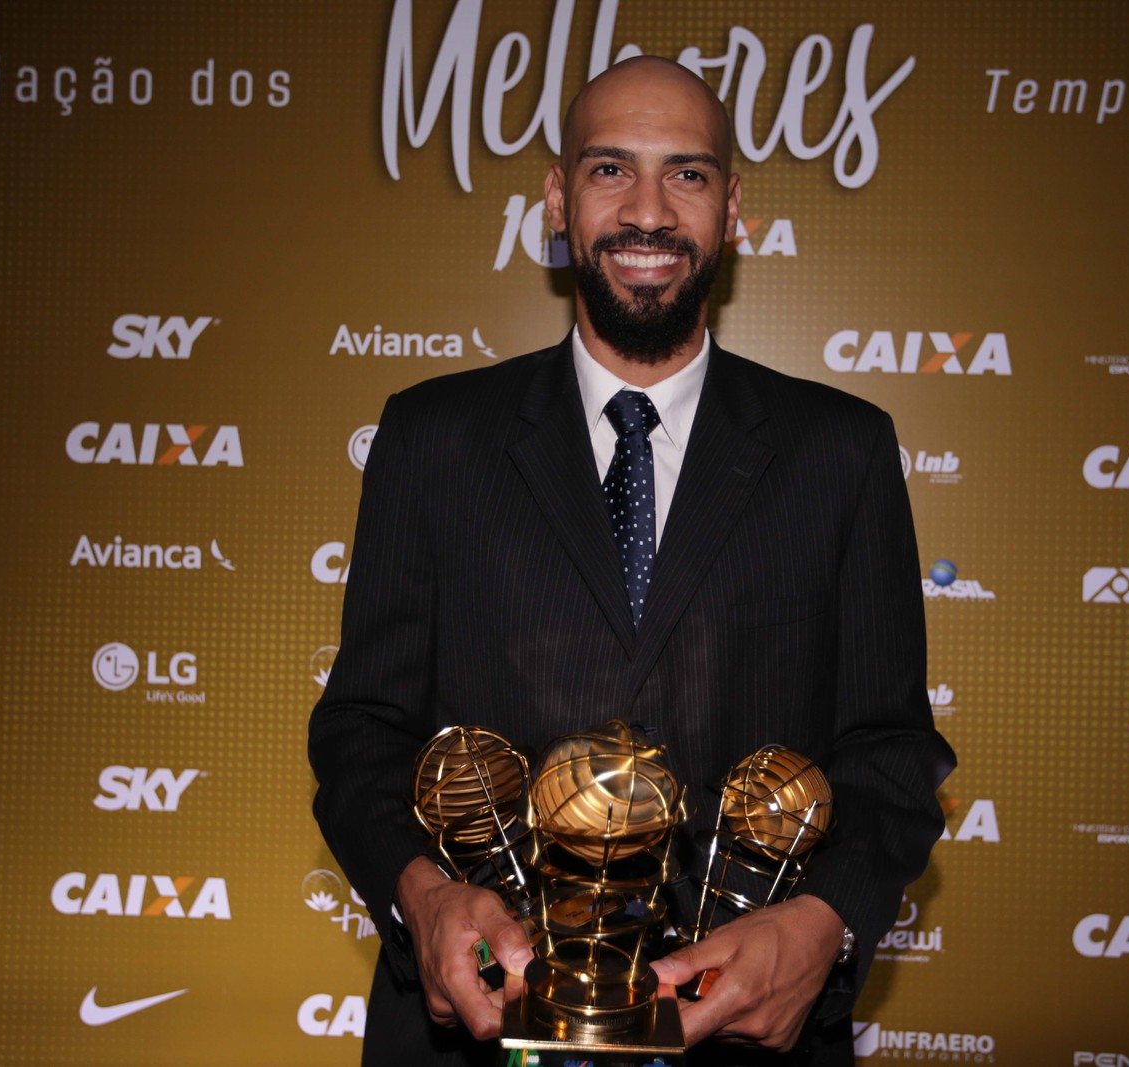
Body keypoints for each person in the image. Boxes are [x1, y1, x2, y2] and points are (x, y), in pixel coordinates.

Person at [310, 55, 954, 1066]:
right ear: (555, 199)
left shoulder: (842, 450)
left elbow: (890, 750)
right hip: (480, 1031)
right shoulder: (433, 438)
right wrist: (422, 893)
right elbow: (361, 730)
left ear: (731, 208)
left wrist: (824, 922)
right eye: (610, 169)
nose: (648, 212)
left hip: (741, 1040)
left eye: (686, 174)